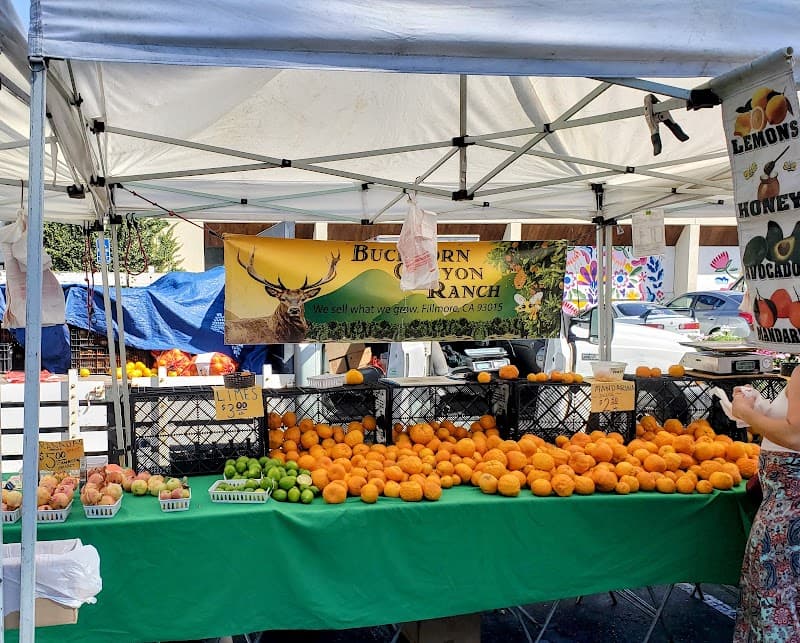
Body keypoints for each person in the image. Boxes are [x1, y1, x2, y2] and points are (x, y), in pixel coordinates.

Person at [731, 368, 800, 641]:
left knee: (778, 602)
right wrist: (760, 409)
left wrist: (747, 412)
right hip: (782, 509)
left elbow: (795, 436)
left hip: (787, 515)